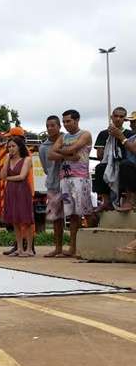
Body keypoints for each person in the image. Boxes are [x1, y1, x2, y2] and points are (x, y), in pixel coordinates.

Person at [50, 109, 93, 257]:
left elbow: (73, 148)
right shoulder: (63, 136)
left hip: (81, 178)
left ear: (76, 120)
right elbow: (51, 154)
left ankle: (87, 246)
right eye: (64, 122)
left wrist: (62, 151)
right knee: (72, 215)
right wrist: (68, 155)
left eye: (68, 121)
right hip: (65, 179)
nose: (66, 124)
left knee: (84, 212)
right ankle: (73, 248)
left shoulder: (85, 134)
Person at [92, 107, 132, 212]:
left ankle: (129, 200)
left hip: (126, 164)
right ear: (111, 117)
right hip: (109, 163)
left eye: (121, 116)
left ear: (125, 119)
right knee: (100, 167)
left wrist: (120, 136)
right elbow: (100, 156)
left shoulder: (130, 134)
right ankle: (106, 201)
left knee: (125, 165)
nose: (118, 119)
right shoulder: (103, 134)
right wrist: (108, 143)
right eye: (116, 116)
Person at [39, 116, 67, 257]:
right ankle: (58, 248)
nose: (50, 128)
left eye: (52, 125)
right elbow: (45, 168)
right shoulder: (43, 147)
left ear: (59, 126)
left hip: (68, 182)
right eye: (47, 125)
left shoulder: (67, 141)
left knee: (74, 215)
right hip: (53, 185)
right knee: (56, 218)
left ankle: (74, 247)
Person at [1, 136, 34, 257]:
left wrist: (8, 179)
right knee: (15, 220)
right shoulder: (8, 159)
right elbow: (2, 175)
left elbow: (22, 176)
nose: (11, 149)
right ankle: (19, 248)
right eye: (9, 147)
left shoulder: (27, 159)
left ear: (19, 147)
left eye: (13, 146)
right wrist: (6, 161)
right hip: (11, 191)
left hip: (22, 190)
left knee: (26, 220)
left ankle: (29, 249)